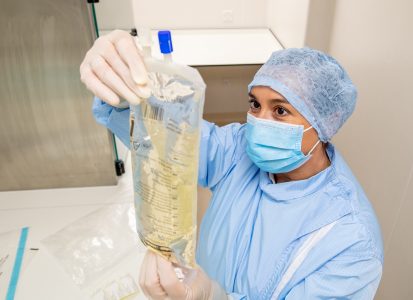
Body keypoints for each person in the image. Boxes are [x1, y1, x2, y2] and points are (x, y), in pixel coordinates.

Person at [80, 30, 384, 299]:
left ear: (323, 123)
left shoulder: (351, 243)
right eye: (255, 104)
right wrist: (123, 96)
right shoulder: (239, 148)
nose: (259, 122)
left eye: (280, 110)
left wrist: (213, 296)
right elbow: (170, 143)